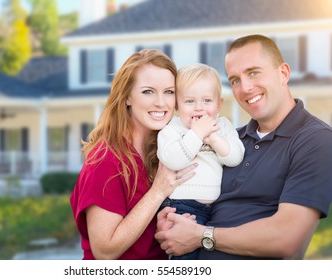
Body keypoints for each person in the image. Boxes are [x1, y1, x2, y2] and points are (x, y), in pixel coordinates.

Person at [155, 34, 332, 259]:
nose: (245, 87)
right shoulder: (230, 139)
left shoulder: (315, 140)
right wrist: (171, 222)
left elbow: (288, 240)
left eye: (254, 72)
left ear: (283, 73)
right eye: (235, 80)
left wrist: (201, 235)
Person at [70, 49, 197, 260]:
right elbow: (104, 250)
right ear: (127, 96)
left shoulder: (167, 151)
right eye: (148, 91)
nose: (161, 102)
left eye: (169, 91)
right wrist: (157, 192)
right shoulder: (105, 160)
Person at [157, 63, 244, 259]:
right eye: (189, 101)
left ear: (219, 104)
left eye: (207, 100)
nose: (199, 107)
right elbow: (172, 160)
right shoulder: (172, 129)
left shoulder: (222, 127)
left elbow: (235, 158)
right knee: (187, 259)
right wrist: (196, 134)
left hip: (216, 209)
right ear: (177, 106)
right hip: (182, 207)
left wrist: (213, 138)